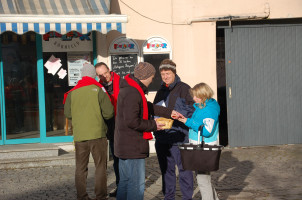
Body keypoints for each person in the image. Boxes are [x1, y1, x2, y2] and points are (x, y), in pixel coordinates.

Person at [114, 62, 180, 200]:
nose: (153, 79)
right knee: (136, 185)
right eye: (152, 76)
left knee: (125, 183)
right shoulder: (133, 92)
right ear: (146, 76)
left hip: (124, 144)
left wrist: (169, 112)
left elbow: (147, 107)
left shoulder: (131, 88)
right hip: (132, 146)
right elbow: (132, 121)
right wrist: (153, 125)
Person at [64, 63, 114, 200]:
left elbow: (68, 113)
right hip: (97, 134)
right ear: (94, 75)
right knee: (100, 167)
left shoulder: (73, 92)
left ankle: (82, 196)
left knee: (80, 168)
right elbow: (109, 113)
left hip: (80, 136)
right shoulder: (99, 89)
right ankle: (101, 196)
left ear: (82, 75)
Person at [153, 59, 195, 200]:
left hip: (180, 136)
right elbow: (154, 110)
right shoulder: (161, 91)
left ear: (174, 72)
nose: (165, 76)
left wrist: (175, 113)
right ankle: (169, 197)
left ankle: (187, 197)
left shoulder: (184, 88)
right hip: (162, 137)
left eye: (168, 73)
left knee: (184, 170)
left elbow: (192, 110)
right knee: (167, 171)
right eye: (163, 74)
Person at [178, 82, 220, 200]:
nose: (193, 98)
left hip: (204, 148)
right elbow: (200, 122)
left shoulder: (209, 110)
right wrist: (185, 120)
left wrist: (188, 121)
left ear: (204, 95)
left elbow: (207, 131)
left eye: (196, 96)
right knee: (205, 179)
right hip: (200, 147)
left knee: (202, 180)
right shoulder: (204, 106)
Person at [95, 62, 120, 197]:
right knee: (116, 158)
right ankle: (119, 185)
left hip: (123, 125)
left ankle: (127, 186)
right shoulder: (98, 87)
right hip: (110, 127)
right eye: (101, 75)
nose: (105, 77)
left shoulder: (121, 82)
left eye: (106, 73)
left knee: (125, 158)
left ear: (109, 70)